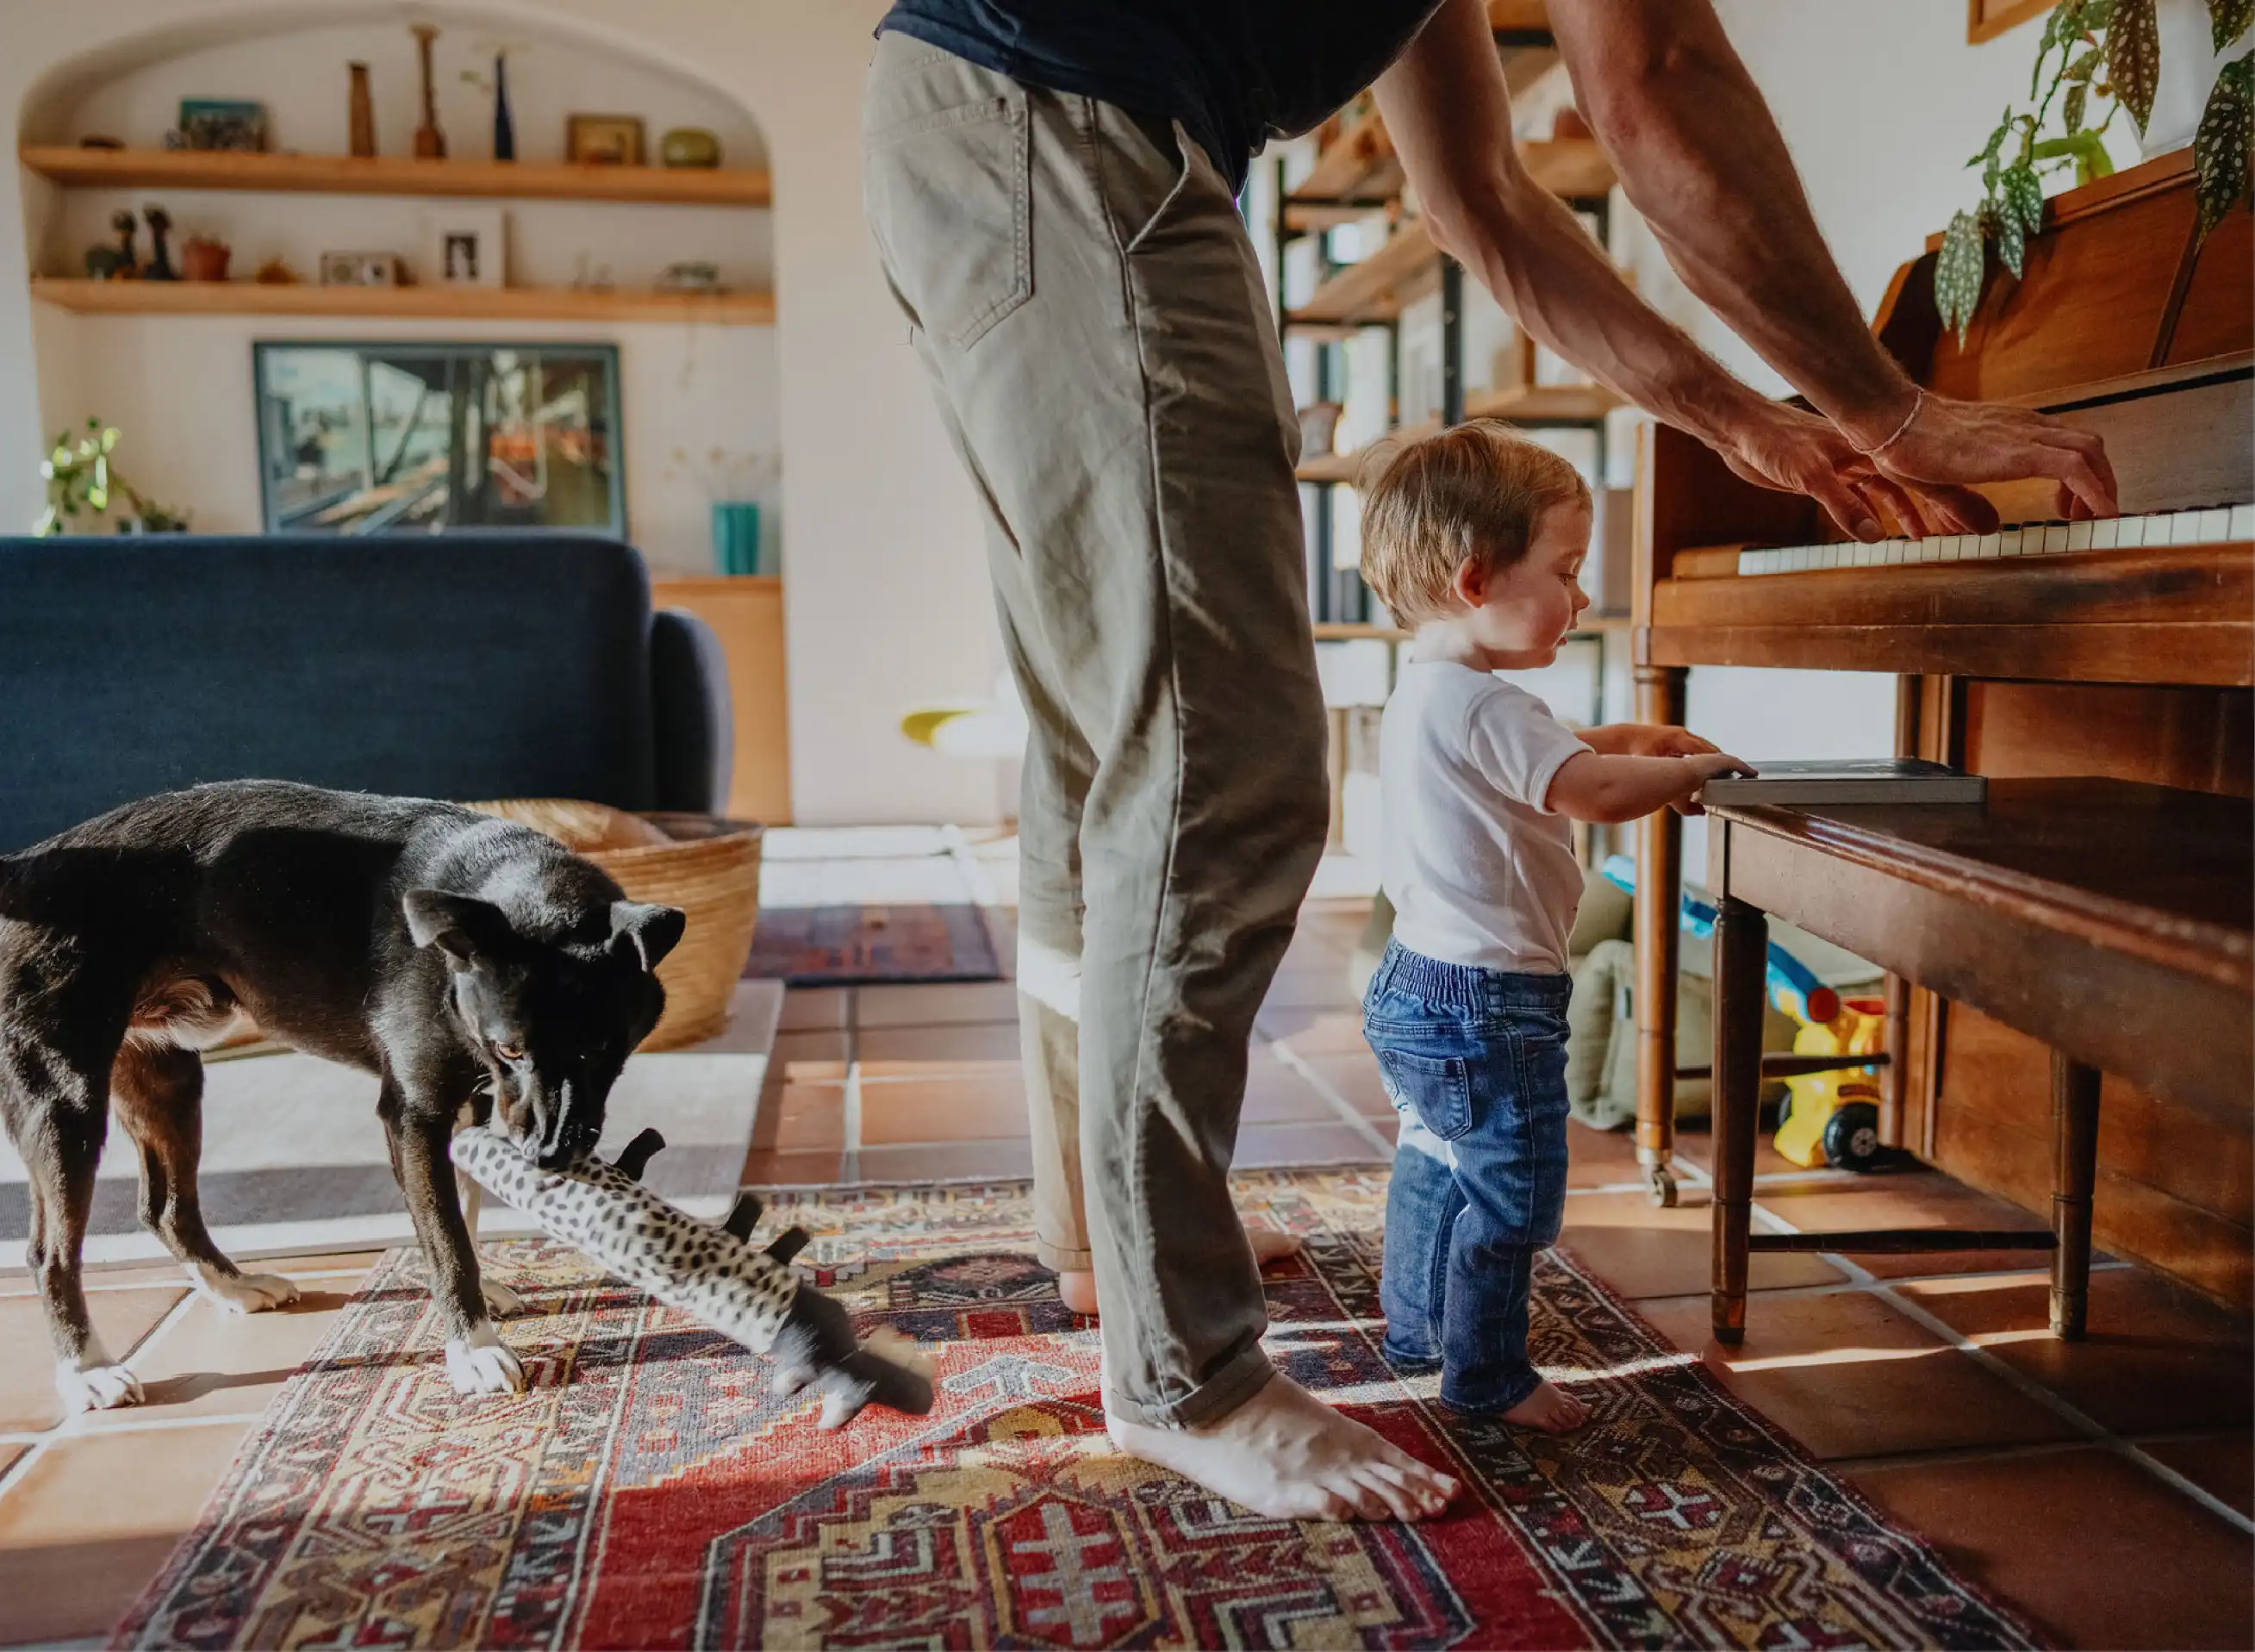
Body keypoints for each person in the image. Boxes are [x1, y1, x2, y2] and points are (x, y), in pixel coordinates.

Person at [860, 0, 2119, 1525]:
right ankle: (1183, 1366)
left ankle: (1106, 1243)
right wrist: (1888, 407)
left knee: (1107, 756)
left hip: (983, 131)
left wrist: (1744, 421)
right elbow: (1649, 81)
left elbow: (1485, 200)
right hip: (1060, 125)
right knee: (1221, 776)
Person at [1357, 422, 1744, 1431]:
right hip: (1494, 1001)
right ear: (1476, 576)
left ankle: (1415, 1326)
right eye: (1566, 573)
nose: (1582, 599)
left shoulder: (1427, 692)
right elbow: (1593, 790)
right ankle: (1485, 1375)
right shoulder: (1492, 707)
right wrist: (1687, 775)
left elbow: (1567, 750)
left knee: (1433, 1156)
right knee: (1514, 1194)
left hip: (1416, 983)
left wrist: (1631, 739)